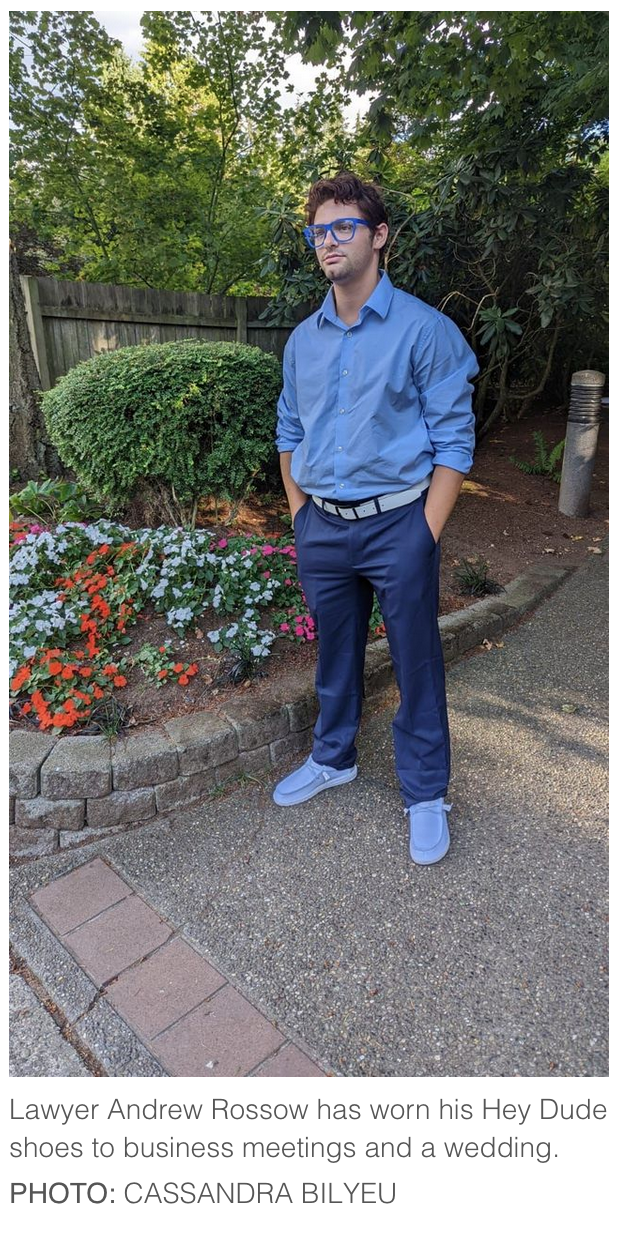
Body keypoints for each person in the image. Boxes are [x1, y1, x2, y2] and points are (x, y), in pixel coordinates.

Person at [273, 171, 478, 865]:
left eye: (344, 227)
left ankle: (425, 791)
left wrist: (424, 533)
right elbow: (289, 431)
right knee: (335, 653)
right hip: (323, 526)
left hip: (400, 527)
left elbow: (454, 442)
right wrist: (300, 515)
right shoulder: (303, 341)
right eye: (318, 231)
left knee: (417, 662)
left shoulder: (425, 330)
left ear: (379, 235)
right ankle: (333, 758)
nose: (328, 241)